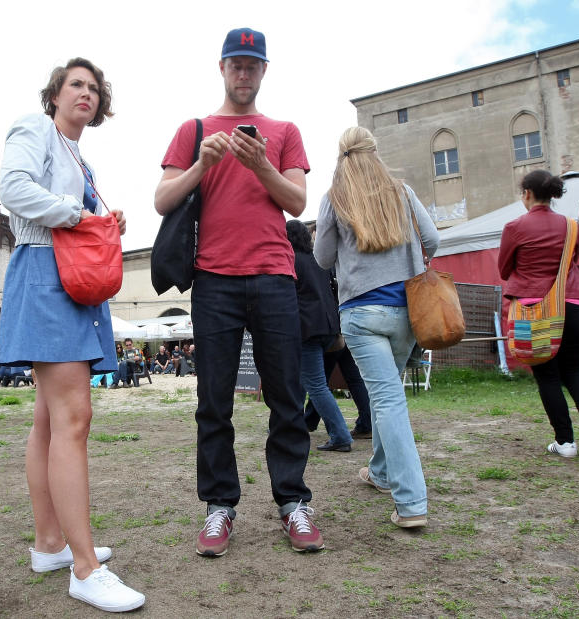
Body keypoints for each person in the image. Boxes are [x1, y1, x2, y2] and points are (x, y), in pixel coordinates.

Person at [155, 27, 323, 556]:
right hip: (214, 281)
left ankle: (292, 502)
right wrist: (205, 162)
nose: (244, 73)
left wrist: (260, 164)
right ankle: (219, 507)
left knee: (285, 396)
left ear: (264, 70)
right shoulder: (194, 129)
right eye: (236, 63)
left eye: (253, 64)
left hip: (275, 276)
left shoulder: (286, 130)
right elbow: (162, 200)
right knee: (214, 400)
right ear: (222, 67)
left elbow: (297, 202)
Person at [0, 57, 144, 612]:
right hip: (44, 272)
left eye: (94, 88)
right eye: (75, 85)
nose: (86, 92)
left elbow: (68, 214)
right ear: (54, 95)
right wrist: (76, 215)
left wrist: (100, 218)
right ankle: (85, 570)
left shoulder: (78, 154)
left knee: (50, 420)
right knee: (73, 418)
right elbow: (12, 188)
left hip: (65, 277)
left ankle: (51, 544)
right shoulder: (35, 128)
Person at [313, 126, 435, 529]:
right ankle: (381, 473)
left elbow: (324, 257)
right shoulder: (401, 191)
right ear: (375, 152)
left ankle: (412, 501)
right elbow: (431, 239)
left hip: (362, 314)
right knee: (390, 396)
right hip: (407, 313)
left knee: (387, 400)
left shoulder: (334, 198)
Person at [498, 169, 579, 459]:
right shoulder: (572, 226)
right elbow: (573, 262)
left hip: (531, 311)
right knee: (574, 369)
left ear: (526, 194)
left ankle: (565, 442)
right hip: (571, 304)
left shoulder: (514, 227)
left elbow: (504, 269)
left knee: (546, 375)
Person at [287, 219, 352, 453]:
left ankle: (341, 435)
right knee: (308, 381)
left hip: (307, 329)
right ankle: (293, 424)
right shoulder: (318, 260)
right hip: (328, 328)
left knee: (315, 385)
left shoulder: (290, 261)